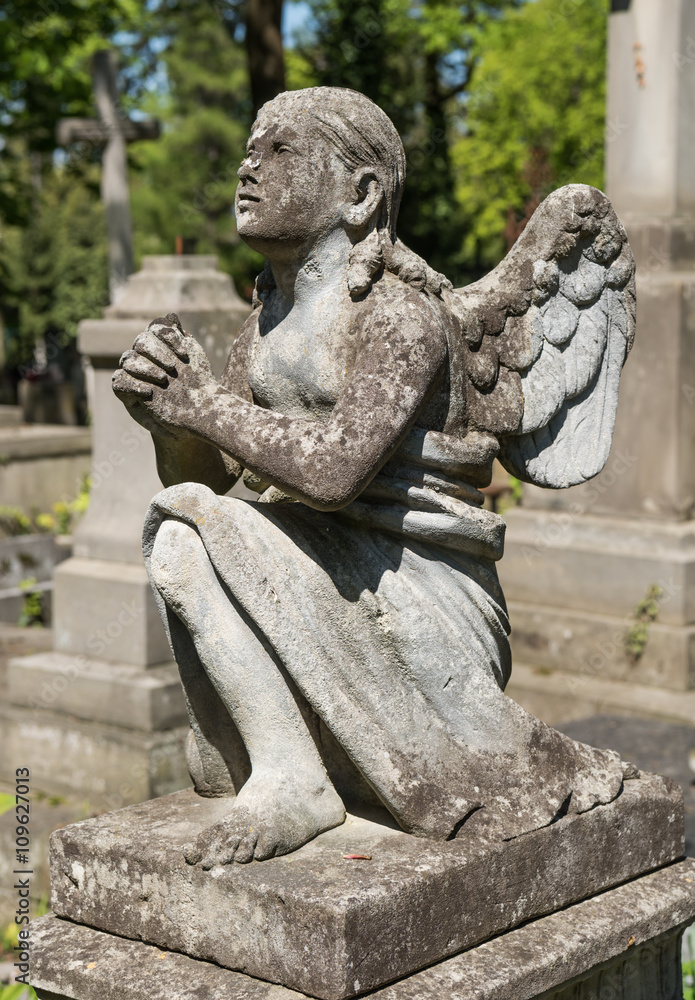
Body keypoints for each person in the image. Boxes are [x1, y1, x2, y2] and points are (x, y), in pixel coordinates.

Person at [113, 87, 625, 868]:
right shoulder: (261, 330)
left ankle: (294, 781)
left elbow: (333, 471)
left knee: (185, 521)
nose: (249, 166)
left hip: (421, 592)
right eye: (251, 148)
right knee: (179, 528)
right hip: (322, 561)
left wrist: (204, 403)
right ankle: (290, 770)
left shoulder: (398, 317)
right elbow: (218, 487)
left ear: (360, 194)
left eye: (280, 150)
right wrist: (171, 421)